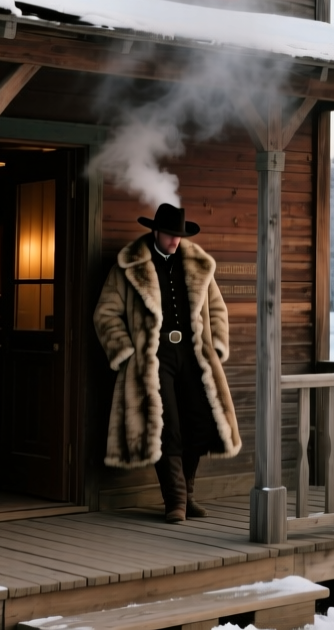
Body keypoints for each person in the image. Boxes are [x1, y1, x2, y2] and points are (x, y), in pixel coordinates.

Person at [93, 203, 241, 523]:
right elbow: (105, 314)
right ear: (156, 231)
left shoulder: (196, 264)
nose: (176, 240)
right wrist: (127, 353)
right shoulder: (129, 266)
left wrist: (216, 346)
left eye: (179, 235)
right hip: (153, 357)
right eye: (170, 234)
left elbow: (217, 308)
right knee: (168, 426)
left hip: (193, 354)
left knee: (198, 422)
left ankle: (187, 495)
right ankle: (174, 500)